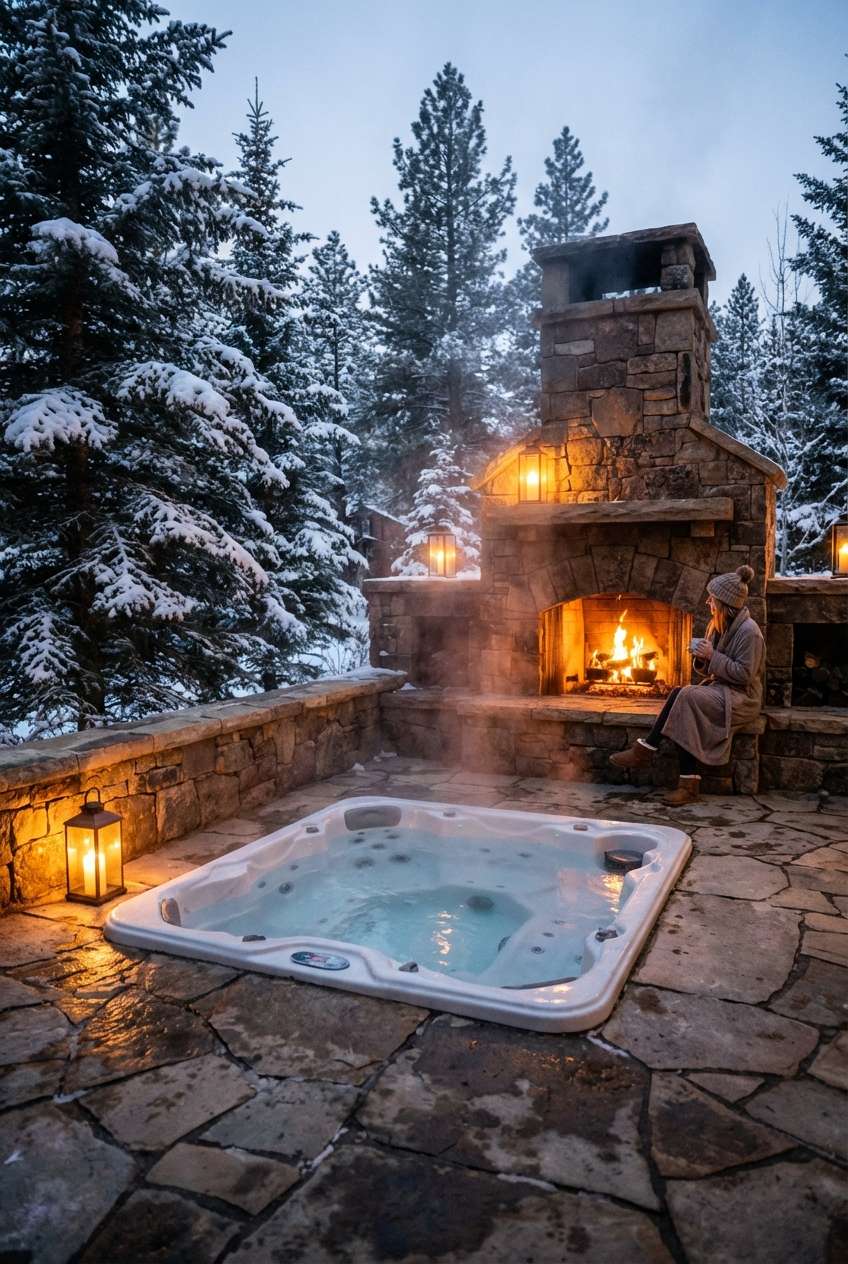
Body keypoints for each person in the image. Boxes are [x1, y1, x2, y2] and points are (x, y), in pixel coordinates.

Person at [609, 564, 763, 805]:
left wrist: (712, 656)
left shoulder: (749, 632)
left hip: (742, 698)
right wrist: (702, 658)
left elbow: (744, 675)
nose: (707, 603)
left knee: (687, 697)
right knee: (681, 692)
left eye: (711, 599)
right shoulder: (717, 626)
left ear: (723, 604)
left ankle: (647, 751)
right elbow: (710, 667)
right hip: (721, 689)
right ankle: (681, 778)